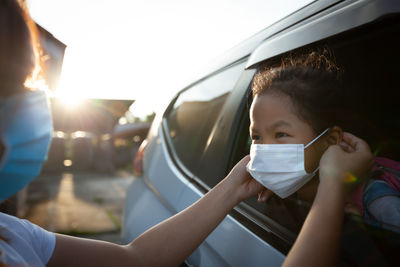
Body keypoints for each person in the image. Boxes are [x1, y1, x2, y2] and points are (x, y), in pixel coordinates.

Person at [0, 1, 373, 266]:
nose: (33, 106)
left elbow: (137, 259)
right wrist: (333, 185)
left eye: (25, 87)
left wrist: (231, 186)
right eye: (23, 85)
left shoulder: (14, 235)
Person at [246, 51, 400, 231]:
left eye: (280, 134)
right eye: (256, 137)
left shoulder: (379, 201)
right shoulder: (279, 194)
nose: (265, 149)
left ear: (330, 140)